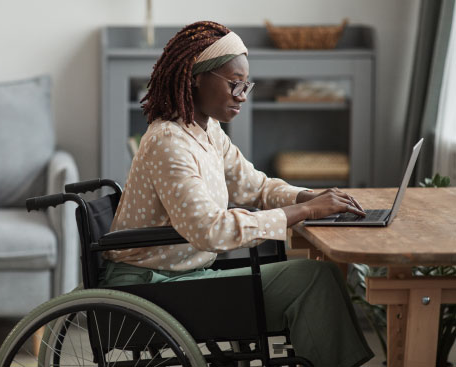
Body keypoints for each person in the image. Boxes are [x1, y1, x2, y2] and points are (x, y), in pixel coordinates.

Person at [99, 21, 374, 367]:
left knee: (316, 277)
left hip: (186, 278)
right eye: (234, 84)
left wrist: (309, 197)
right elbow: (209, 230)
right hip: (153, 287)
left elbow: (255, 186)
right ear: (196, 77)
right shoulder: (168, 141)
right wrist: (304, 213)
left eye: (246, 85)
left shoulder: (207, 130)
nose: (242, 95)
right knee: (312, 279)